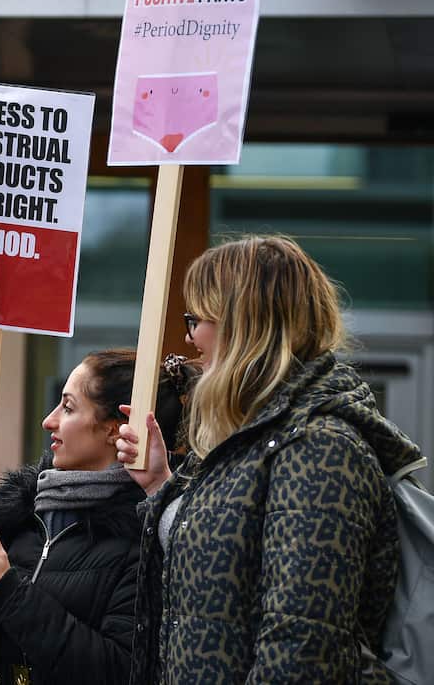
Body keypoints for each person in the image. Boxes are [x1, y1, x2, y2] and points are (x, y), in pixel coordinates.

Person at [115, 236, 424, 684]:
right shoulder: (252, 436)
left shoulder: (320, 448)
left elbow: (302, 646)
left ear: (245, 327)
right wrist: (161, 486)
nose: (188, 336)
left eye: (196, 319)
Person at [0, 350, 195, 685]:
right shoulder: (21, 517)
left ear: (115, 430)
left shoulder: (145, 534)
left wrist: (4, 590)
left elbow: (118, 671)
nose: (49, 420)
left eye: (69, 407)